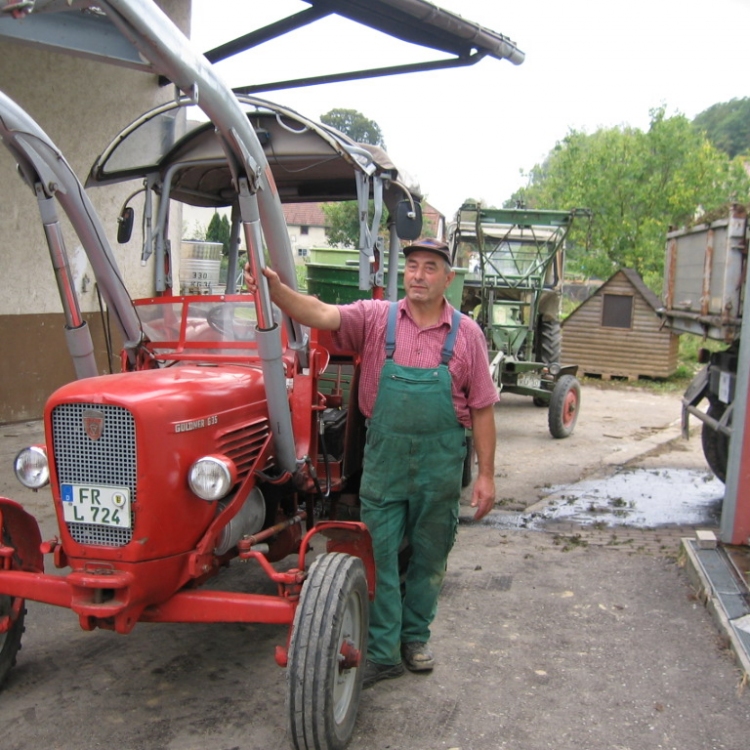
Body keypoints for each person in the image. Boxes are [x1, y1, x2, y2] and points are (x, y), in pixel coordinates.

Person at [244, 237, 498, 688]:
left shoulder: (468, 335)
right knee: (377, 555)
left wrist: (486, 475)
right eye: (412, 266)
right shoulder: (378, 319)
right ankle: (383, 652)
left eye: (430, 268)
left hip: (440, 465)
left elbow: (481, 408)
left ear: (448, 278)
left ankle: (414, 637)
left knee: (429, 557)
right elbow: (321, 313)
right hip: (386, 459)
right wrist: (278, 292)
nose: (418, 275)